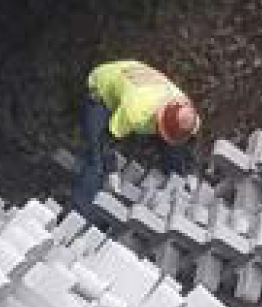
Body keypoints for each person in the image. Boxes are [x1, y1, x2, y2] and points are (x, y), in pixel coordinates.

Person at [71, 60, 200, 229]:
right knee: (97, 163)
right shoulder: (137, 109)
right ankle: (75, 221)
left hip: (138, 85)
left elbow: (187, 143)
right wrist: (111, 170)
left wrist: (190, 172)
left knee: (175, 153)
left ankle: (175, 185)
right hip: (102, 90)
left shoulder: (188, 117)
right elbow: (106, 139)